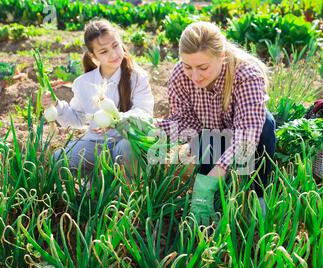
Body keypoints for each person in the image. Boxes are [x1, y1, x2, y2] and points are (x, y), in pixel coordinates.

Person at [158, 22, 276, 226]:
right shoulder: (180, 75)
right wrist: (154, 127)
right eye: (188, 67)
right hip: (210, 136)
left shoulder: (246, 74)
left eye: (203, 67)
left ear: (221, 57)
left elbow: (247, 134)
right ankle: (216, 201)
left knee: (266, 122)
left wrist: (215, 175)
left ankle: (257, 194)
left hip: (246, 136)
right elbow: (186, 123)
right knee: (208, 157)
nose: (195, 76)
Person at [41, 19, 154, 173]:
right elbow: (77, 119)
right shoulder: (83, 83)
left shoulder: (137, 77)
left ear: (121, 43)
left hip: (126, 143)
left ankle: (126, 190)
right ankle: (96, 183)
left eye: (115, 46)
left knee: (128, 147)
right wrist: (55, 105)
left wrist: (116, 120)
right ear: (93, 56)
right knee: (58, 159)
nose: (113, 54)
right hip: (95, 144)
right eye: (104, 51)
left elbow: (144, 113)